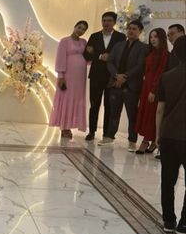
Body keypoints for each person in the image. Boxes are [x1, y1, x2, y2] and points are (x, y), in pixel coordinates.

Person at [98, 20, 148, 151]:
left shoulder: (143, 48)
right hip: (115, 83)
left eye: (134, 29)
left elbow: (140, 66)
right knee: (113, 112)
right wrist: (117, 75)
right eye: (129, 28)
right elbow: (110, 62)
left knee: (132, 115)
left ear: (140, 31)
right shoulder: (118, 45)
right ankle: (109, 137)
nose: (131, 31)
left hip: (131, 86)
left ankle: (132, 140)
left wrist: (125, 77)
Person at [156, 34, 186, 234]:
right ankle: (184, 224)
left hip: (168, 133)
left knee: (168, 179)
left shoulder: (167, 76)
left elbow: (160, 109)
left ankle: (168, 221)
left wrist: (158, 135)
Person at [83, 11, 126, 141]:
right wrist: (100, 56)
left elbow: (122, 56)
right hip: (96, 75)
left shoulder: (121, 37)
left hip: (112, 76)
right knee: (94, 104)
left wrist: (110, 57)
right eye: (104, 20)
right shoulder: (94, 36)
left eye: (109, 20)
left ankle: (106, 133)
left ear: (114, 22)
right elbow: (87, 54)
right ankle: (91, 131)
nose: (106, 23)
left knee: (109, 105)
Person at [49, 20, 89, 138]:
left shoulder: (84, 42)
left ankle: (70, 125)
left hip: (80, 78)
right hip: (68, 76)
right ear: (75, 26)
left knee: (77, 100)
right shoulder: (64, 41)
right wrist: (61, 76)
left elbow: (88, 58)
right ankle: (64, 127)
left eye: (83, 29)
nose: (80, 30)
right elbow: (60, 58)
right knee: (66, 99)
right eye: (79, 27)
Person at [135, 28, 169, 153]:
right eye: (151, 37)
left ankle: (146, 141)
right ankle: (153, 141)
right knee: (146, 113)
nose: (153, 39)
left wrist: (154, 90)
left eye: (156, 37)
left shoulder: (164, 54)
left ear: (161, 38)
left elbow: (160, 73)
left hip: (155, 88)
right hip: (146, 87)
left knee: (151, 114)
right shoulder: (151, 52)